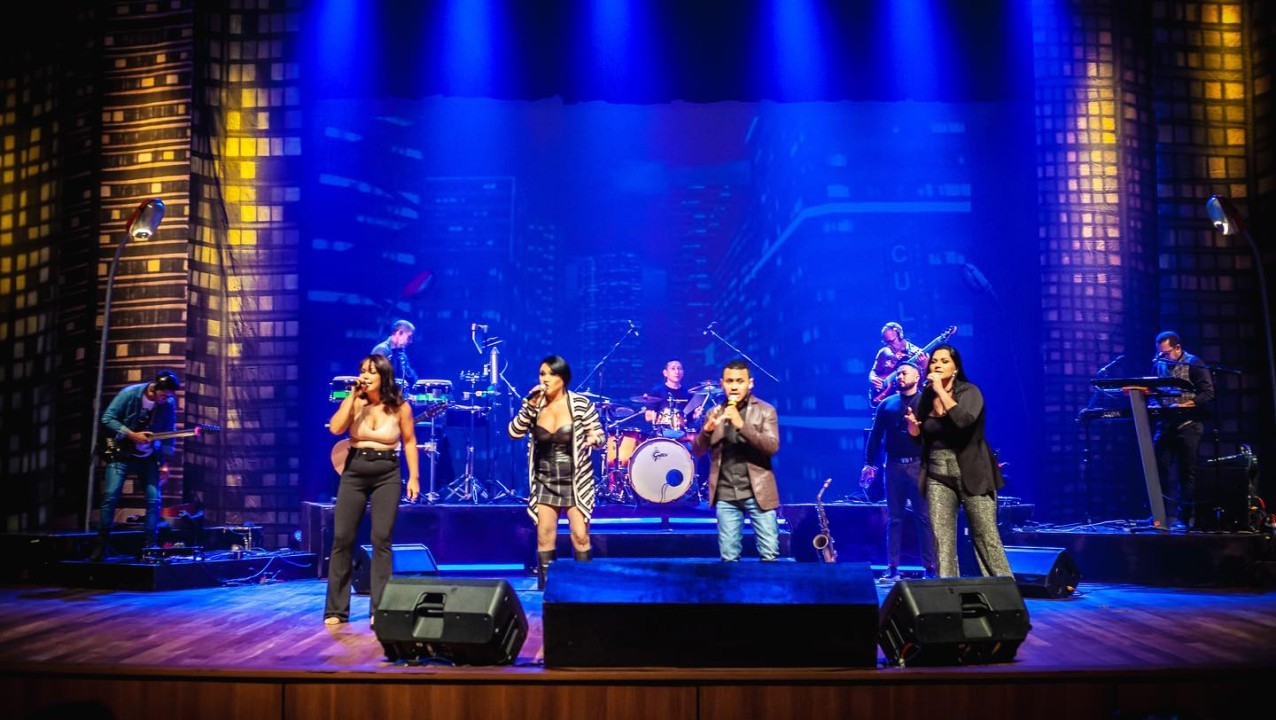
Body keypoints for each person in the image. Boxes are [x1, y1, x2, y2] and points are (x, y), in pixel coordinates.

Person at [324, 354, 420, 625]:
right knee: (342, 538)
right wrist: (352, 398)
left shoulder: (400, 406)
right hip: (354, 470)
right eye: (362, 371)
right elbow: (335, 428)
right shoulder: (355, 401)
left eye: (371, 372)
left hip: (387, 472)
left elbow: (410, 441)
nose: (365, 376)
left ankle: (379, 609)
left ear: (383, 377)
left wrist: (414, 477)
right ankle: (335, 610)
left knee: (381, 539)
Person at [904, 344, 1011, 578]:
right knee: (941, 539)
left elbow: (964, 421)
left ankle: (1005, 593)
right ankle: (948, 595)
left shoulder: (970, 392)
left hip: (972, 469)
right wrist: (913, 428)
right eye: (934, 361)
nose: (937, 365)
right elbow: (923, 440)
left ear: (955, 368)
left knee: (986, 536)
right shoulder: (926, 399)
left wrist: (941, 391)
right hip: (937, 474)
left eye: (944, 361)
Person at [508, 356, 605, 589]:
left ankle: (583, 590)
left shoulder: (580, 404)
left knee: (580, 535)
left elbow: (599, 435)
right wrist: (528, 408)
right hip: (544, 479)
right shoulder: (535, 405)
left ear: (563, 378)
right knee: (544, 536)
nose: (545, 379)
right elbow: (514, 432)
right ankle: (548, 592)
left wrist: (593, 438)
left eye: (551, 374)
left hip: (574, 480)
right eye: (542, 374)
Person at [691, 359, 782, 561]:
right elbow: (697, 451)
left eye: (739, 381)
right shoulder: (713, 413)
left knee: (770, 555)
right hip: (725, 494)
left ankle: (771, 593)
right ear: (722, 383)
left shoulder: (766, 411)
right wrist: (706, 431)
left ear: (750, 383)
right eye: (729, 381)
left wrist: (741, 425)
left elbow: (771, 446)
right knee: (729, 559)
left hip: (758, 492)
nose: (734, 386)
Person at [92, 370, 181, 560]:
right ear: (155, 389)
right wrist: (132, 434)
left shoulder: (168, 404)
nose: (167, 399)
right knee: (110, 496)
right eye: (164, 395)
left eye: (170, 396)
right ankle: (102, 545)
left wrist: (164, 463)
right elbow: (107, 418)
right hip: (122, 453)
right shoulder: (130, 394)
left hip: (148, 457)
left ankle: (150, 547)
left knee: (154, 500)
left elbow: (169, 431)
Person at [861, 361, 938, 581]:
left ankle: (930, 567)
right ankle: (892, 567)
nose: (900, 376)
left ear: (918, 376)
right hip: (893, 466)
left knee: (923, 517)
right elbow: (875, 436)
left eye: (904, 373)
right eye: (898, 373)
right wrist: (869, 463)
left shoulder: (927, 402)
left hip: (919, 465)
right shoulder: (886, 404)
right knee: (894, 518)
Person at [1151, 331, 1215, 531]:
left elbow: (1208, 393)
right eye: (1160, 354)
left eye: (1166, 353)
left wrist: (1188, 404)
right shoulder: (1159, 365)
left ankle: (1184, 518)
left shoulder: (1194, 364)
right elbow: (1154, 390)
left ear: (1178, 348)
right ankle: (1159, 516)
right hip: (1166, 425)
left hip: (1189, 425)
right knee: (1157, 471)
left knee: (1186, 473)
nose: (1163, 357)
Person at [869, 322, 929, 403]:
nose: (888, 345)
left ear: (900, 336)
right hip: (886, 400)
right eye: (885, 342)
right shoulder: (883, 352)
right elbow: (874, 371)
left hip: (908, 401)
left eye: (891, 341)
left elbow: (925, 384)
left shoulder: (917, 354)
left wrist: (924, 367)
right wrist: (873, 379)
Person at [371, 319, 418, 387]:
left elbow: (410, 376)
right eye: (409, 337)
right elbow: (375, 378)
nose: (411, 341)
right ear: (399, 333)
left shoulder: (402, 355)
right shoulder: (382, 350)